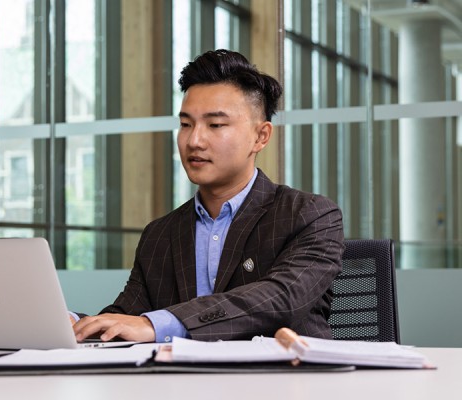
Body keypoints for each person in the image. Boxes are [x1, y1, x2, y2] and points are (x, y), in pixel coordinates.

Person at [73, 49, 344, 343]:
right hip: (183, 385)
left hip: (286, 384)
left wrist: (163, 323)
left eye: (215, 125)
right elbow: (127, 317)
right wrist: (73, 324)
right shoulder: (160, 234)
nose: (194, 140)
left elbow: (280, 299)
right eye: (186, 124)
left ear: (261, 136)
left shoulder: (310, 215)